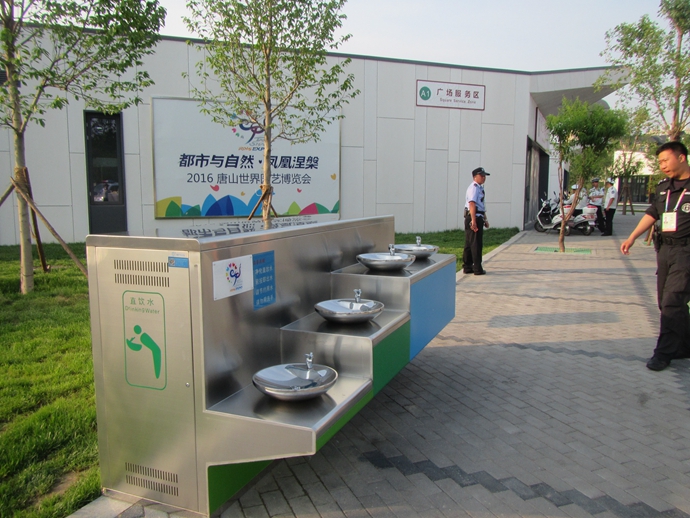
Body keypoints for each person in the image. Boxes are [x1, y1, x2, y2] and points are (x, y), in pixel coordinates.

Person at [620, 141, 690, 371]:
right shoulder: (663, 188)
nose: (662, 166)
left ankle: (663, 353)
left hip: (687, 252)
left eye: (665, 160)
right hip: (665, 250)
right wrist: (632, 237)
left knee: (672, 301)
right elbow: (652, 213)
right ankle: (684, 345)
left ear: (681, 157)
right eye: (659, 162)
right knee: (666, 302)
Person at [463, 167, 490, 275]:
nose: (484, 178)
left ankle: (468, 266)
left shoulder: (479, 188)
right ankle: (477, 268)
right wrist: (473, 221)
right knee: (476, 243)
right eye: (481, 176)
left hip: (477, 216)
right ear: (475, 177)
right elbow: (472, 204)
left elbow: (481, 206)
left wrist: (485, 219)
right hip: (473, 217)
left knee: (470, 243)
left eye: (484, 176)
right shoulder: (474, 188)